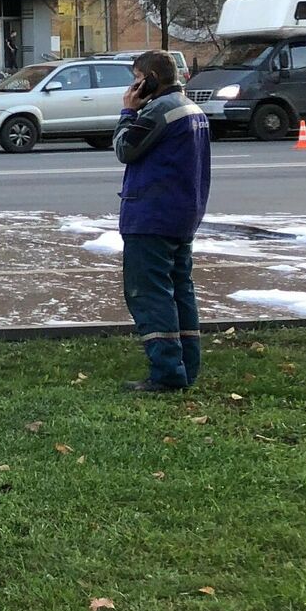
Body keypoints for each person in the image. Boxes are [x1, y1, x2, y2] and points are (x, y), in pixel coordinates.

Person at [114, 50, 212, 391]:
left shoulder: (159, 111)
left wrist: (128, 110)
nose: (132, 86)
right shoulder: (191, 109)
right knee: (180, 290)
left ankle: (168, 372)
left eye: (136, 79)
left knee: (150, 293)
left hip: (151, 217)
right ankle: (188, 365)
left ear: (150, 79)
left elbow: (126, 148)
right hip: (182, 215)